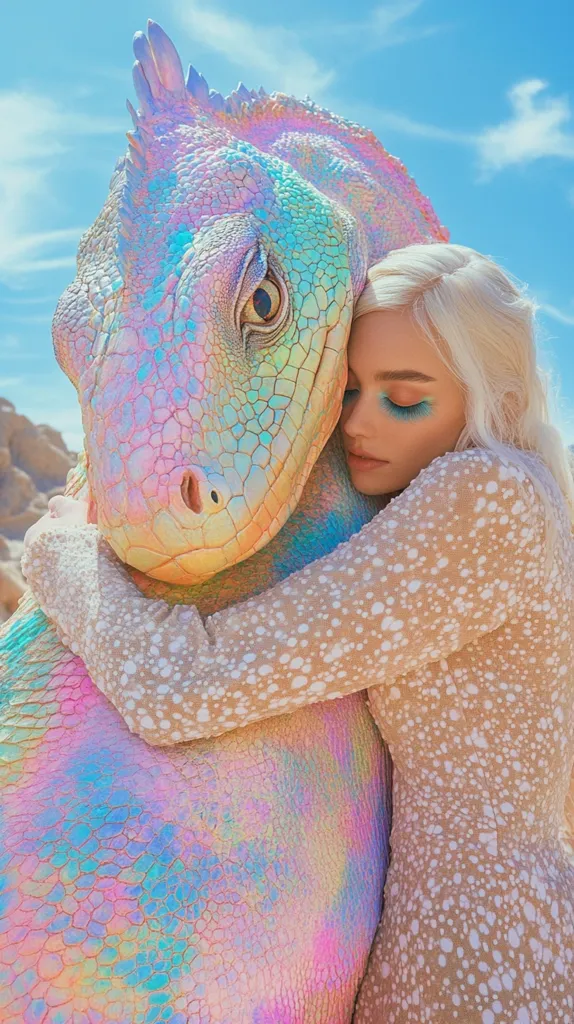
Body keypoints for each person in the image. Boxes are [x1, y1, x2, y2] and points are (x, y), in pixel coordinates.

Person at [22, 242, 574, 1023]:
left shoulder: (484, 498)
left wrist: (62, 554)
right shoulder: (536, 504)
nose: (358, 423)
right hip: (510, 956)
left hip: (470, 975)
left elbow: (181, 689)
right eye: (348, 389)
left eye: (405, 399)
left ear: (502, 401)